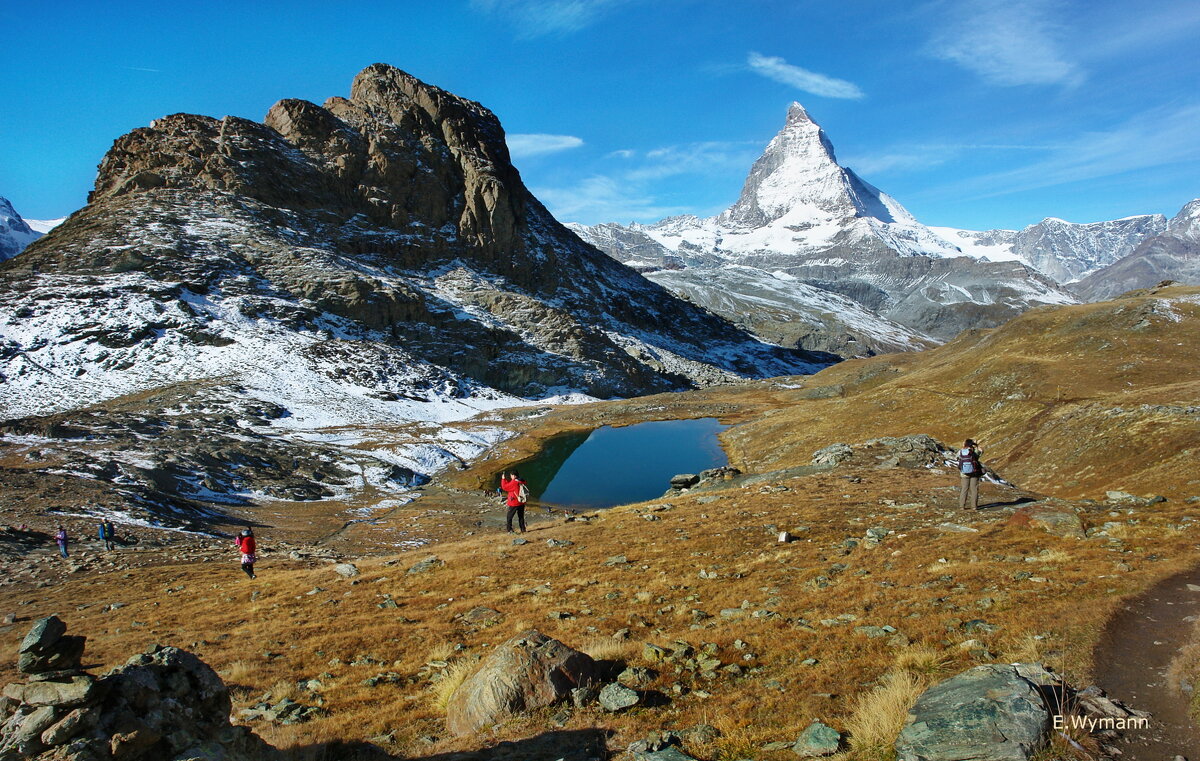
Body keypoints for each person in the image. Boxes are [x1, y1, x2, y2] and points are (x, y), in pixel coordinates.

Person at [958, 439, 984, 510]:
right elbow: (980, 453)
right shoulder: (973, 451)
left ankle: (962, 506)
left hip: (964, 473)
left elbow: (957, 458)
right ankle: (974, 506)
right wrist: (976, 446)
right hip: (974, 473)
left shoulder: (960, 451)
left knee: (964, 489)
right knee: (974, 489)